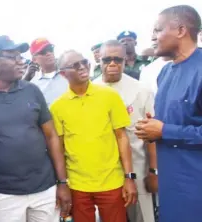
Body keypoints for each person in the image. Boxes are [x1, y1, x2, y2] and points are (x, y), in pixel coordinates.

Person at [0, 35, 70, 222]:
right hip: (3, 196)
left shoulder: (32, 91)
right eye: (14, 57)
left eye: (21, 56)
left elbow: (51, 136)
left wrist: (62, 182)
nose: (21, 61)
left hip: (44, 190)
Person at [50, 49, 137, 222]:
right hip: (77, 185)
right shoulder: (57, 107)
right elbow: (58, 148)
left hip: (111, 181)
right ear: (62, 73)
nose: (82, 67)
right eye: (75, 65)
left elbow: (122, 137)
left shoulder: (110, 96)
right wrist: (62, 184)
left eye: (85, 62)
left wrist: (129, 177)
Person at [135, 5, 202, 222]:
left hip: (195, 190)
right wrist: (151, 127)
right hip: (171, 188)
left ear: (181, 30)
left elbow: (168, 130)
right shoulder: (165, 72)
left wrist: (164, 130)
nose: (153, 37)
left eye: (157, 30)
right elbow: (170, 121)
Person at [93, 40, 157, 222]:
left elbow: (151, 135)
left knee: (143, 218)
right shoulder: (91, 91)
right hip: (104, 173)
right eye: (107, 60)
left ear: (125, 59)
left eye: (117, 60)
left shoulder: (141, 90)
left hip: (138, 170)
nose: (112, 64)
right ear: (99, 60)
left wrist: (154, 171)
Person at [28, 38, 68, 106]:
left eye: (50, 49)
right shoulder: (32, 85)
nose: (49, 53)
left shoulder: (70, 74)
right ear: (34, 59)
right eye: (43, 52)